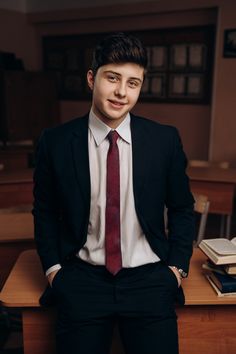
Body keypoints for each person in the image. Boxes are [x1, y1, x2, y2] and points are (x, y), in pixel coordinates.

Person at [33, 32, 195, 354]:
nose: (122, 92)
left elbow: (182, 208)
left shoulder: (164, 140)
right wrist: (54, 272)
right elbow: (45, 211)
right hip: (81, 281)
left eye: (133, 83)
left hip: (150, 280)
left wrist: (175, 270)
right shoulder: (55, 142)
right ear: (92, 79)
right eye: (113, 78)